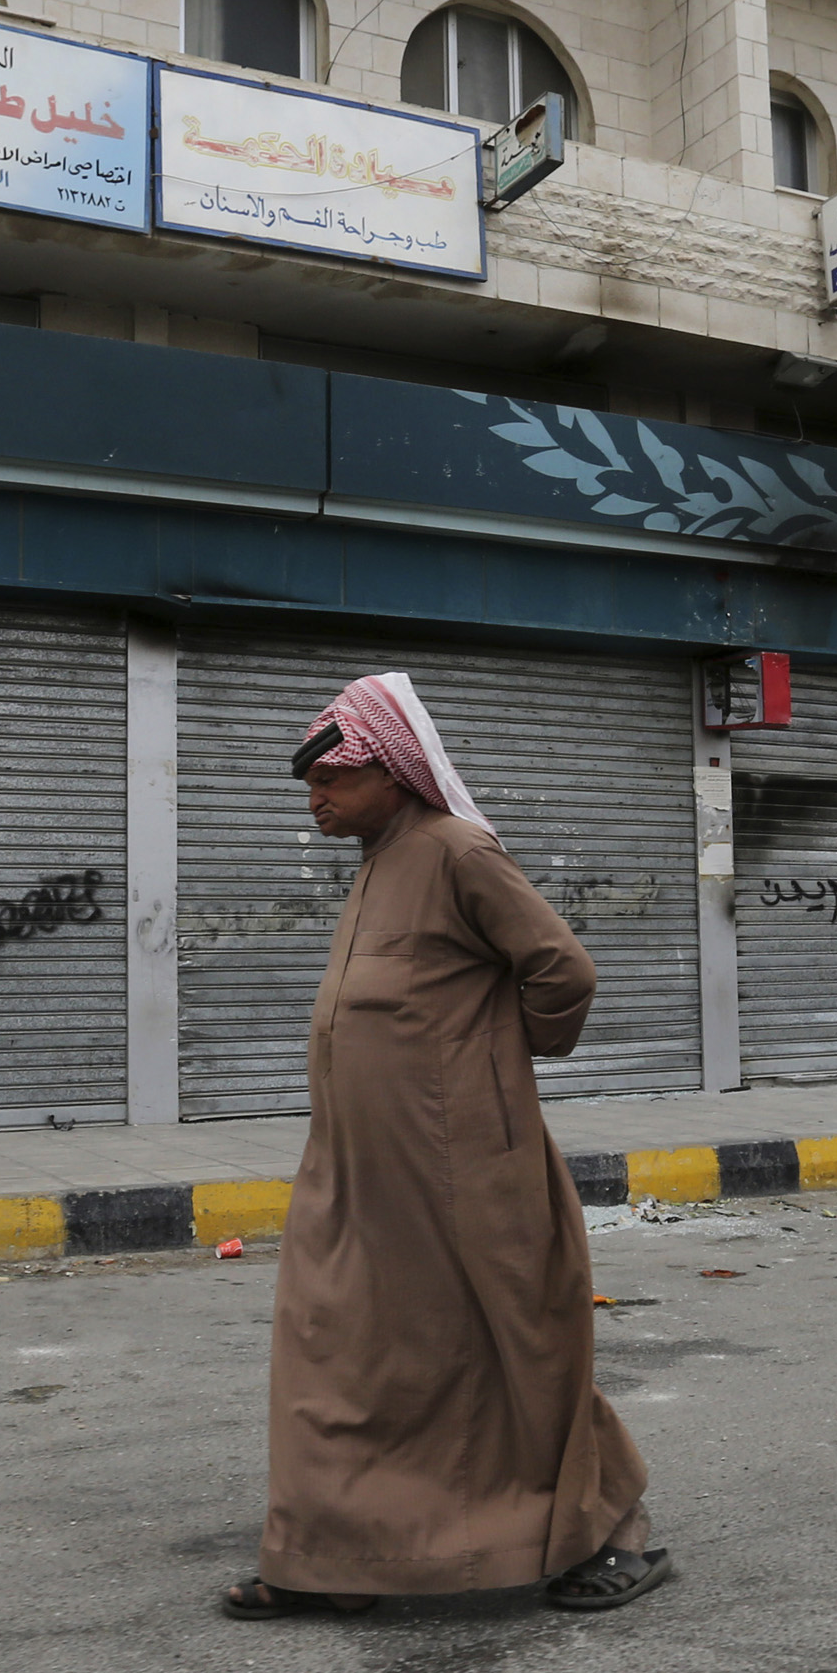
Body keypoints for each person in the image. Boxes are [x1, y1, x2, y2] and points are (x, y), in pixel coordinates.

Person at [224, 671, 669, 1620]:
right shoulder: (381, 857)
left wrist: (499, 1061)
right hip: (360, 1176)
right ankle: (332, 1556)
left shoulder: (457, 849)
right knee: (341, 1348)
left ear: (393, 772)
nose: (318, 800)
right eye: (313, 786)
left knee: (520, 1344)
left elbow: (562, 971)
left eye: (334, 781)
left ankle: (613, 1526)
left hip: (464, 1171)